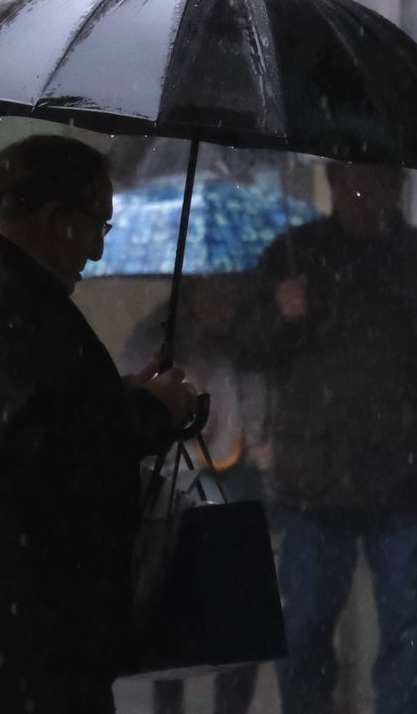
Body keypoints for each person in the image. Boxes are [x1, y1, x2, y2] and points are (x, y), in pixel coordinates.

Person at [0, 134, 201, 714]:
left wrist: (113, 396)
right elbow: (42, 451)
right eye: (96, 227)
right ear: (56, 218)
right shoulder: (4, 301)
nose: (97, 252)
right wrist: (148, 414)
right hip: (17, 607)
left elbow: (33, 417)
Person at [237, 163, 417, 714]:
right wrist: (280, 313)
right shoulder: (293, 256)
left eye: (380, 182)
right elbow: (249, 347)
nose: (368, 195)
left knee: (408, 631)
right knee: (304, 630)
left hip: (398, 479)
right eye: (356, 181)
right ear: (334, 181)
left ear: (396, 186)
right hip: (314, 481)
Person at [120, 276, 265, 714]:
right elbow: (134, 403)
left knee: (239, 627)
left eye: (231, 292)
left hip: (234, 484)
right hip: (174, 491)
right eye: (215, 293)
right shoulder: (157, 336)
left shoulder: (245, 337)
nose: (226, 302)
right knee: (174, 624)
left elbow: (256, 396)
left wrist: (257, 434)